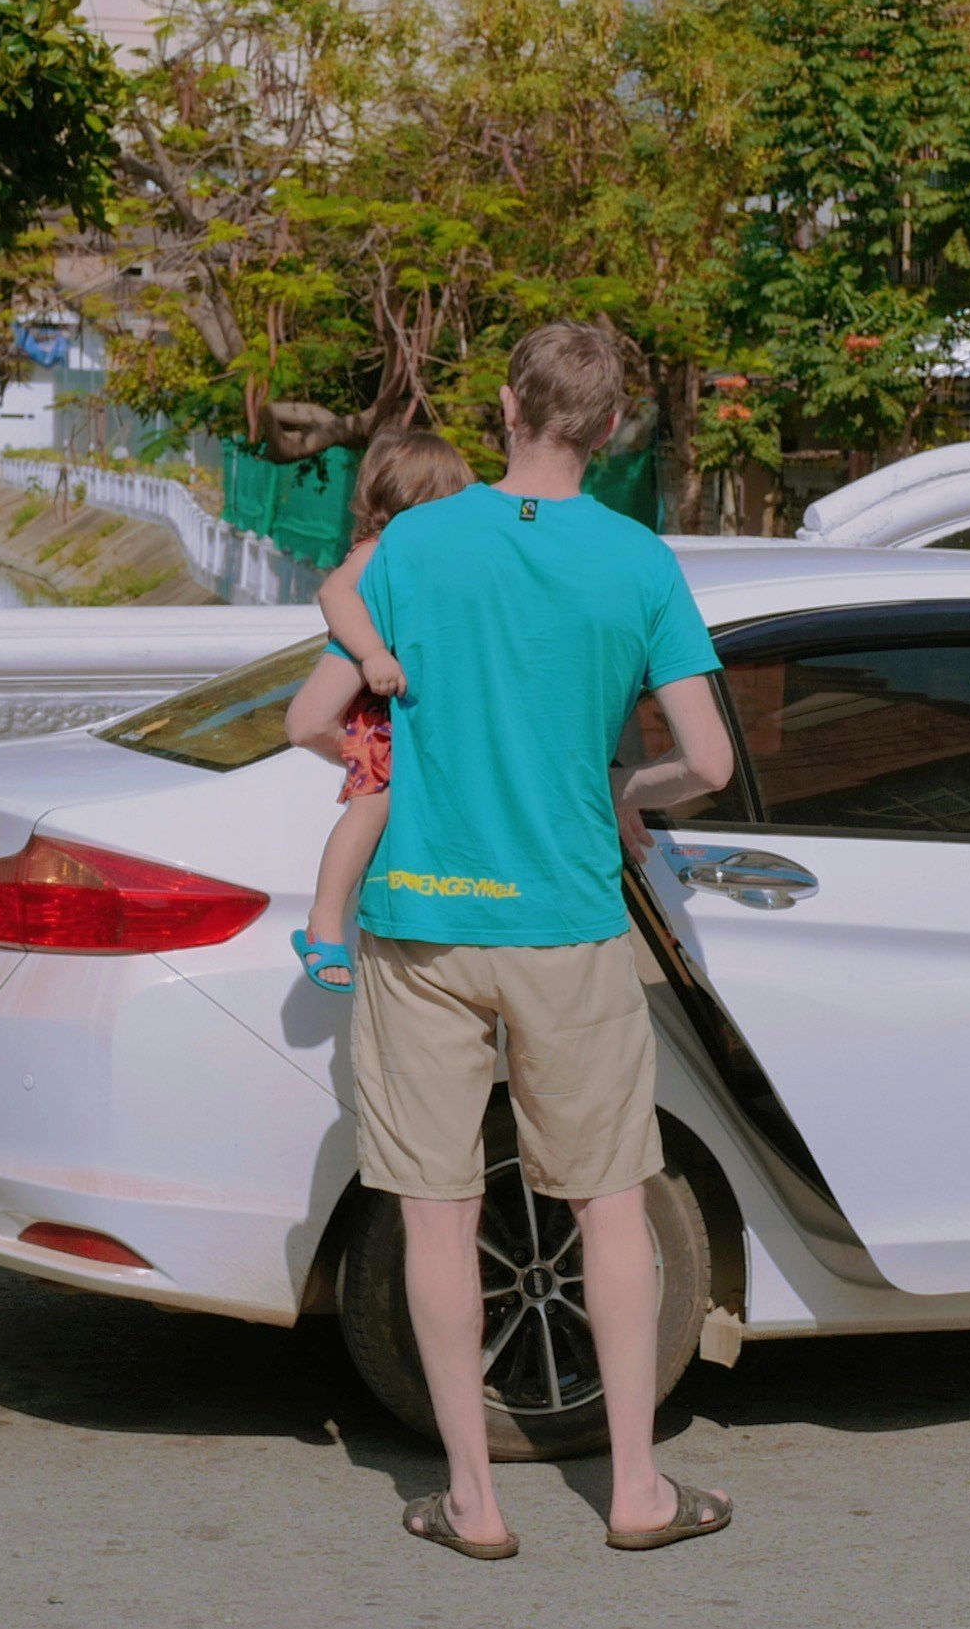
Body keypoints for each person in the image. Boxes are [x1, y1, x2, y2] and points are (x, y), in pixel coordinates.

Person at [283, 323, 737, 1561]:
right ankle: (637, 1489)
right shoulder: (639, 561)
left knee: (434, 1213)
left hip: (422, 920)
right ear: (609, 429)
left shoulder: (415, 544)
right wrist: (619, 788)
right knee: (609, 1206)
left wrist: (405, 761)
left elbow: (314, 716)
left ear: (504, 404)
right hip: (568, 923)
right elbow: (707, 759)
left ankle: (475, 1502)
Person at [282, 429, 474, 993]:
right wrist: (371, 655)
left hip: (386, 717)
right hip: (376, 714)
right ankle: (323, 925)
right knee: (372, 807)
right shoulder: (377, 553)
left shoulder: (408, 556)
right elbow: (333, 595)